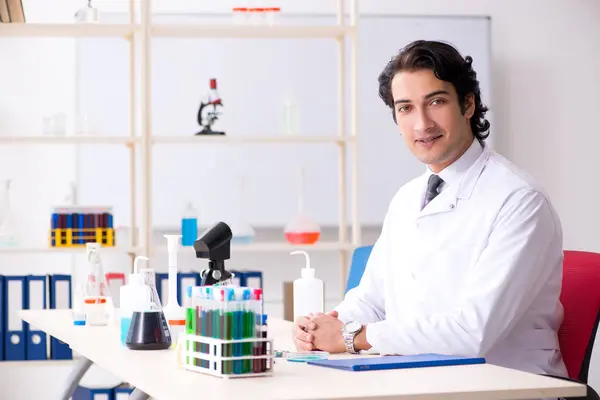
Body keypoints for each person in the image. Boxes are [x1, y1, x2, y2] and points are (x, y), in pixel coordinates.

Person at [292, 40, 568, 378]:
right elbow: (371, 301)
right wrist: (324, 327)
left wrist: (352, 337)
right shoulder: (407, 198)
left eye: (436, 102)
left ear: (468, 104)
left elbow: (472, 332)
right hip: (424, 379)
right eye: (405, 108)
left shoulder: (519, 200)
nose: (422, 124)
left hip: (507, 385)